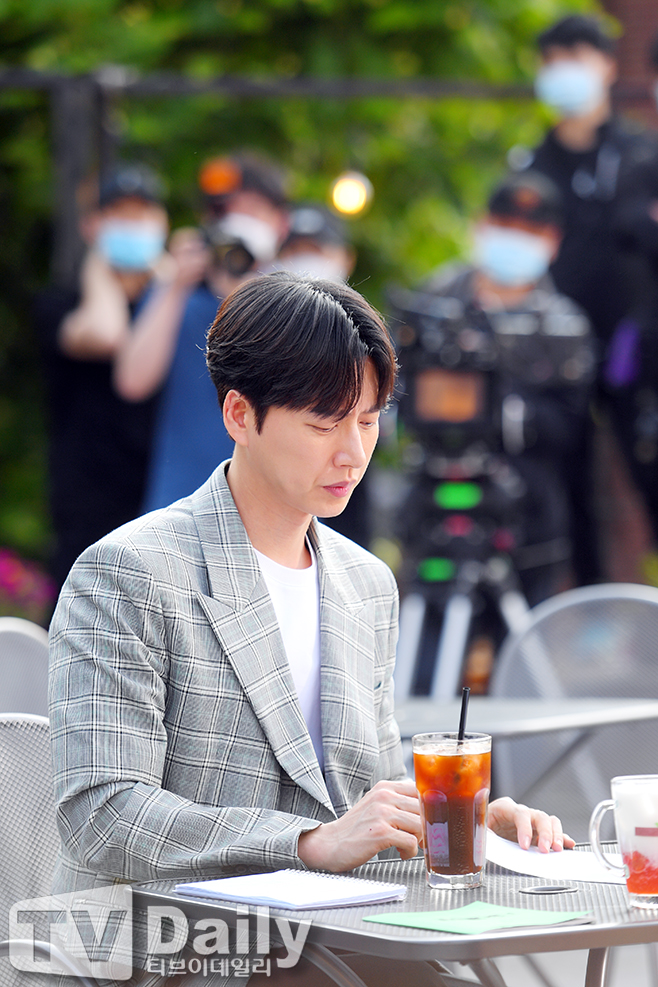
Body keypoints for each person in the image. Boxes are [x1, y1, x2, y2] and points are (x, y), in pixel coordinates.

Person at [49, 273, 573, 982]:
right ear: (240, 414)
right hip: (173, 950)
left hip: (334, 937)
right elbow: (103, 814)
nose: (353, 452)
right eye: (325, 424)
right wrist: (306, 842)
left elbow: (366, 801)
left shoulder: (366, 584)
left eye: (368, 420)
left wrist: (463, 821)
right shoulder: (128, 573)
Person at [410, 171, 596, 607]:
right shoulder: (434, 301)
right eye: (506, 225)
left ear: (553, 241)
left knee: (524, 630)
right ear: (483, 225)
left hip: (524, 510)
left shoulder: (564, 325)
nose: (516, 238)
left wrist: (504, 409)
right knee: (430, 626)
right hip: (433, 496)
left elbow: (571, 426)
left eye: (531, 230)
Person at [518, 14, 656, 585]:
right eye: (553, 60)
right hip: (557, 352)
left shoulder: (641, 156)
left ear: (607, 65)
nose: (563, 72)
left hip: (635, 350)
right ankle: (588, 607)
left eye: (576, 57)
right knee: (565, 489)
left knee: (649, 471)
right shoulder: (531, 166)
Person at [113, 152, 290, 514]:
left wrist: (247, 294)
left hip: (266, 510)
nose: (238, 222)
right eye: (226, 212)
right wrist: (175, 285)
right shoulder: (178, 294)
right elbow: (132, 381)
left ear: (280, 223)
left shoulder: (295, 303)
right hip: (178, 504)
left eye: (252, 211)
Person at [33, 164, 168, 589]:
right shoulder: (62, 301)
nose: (132, 226)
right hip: (86, 499)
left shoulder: (171, 306)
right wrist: (98, 270)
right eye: (119, 215)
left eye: (142, 215)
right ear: (93, 226)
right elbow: (107, 335)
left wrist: (170, 284)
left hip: (161, 493)